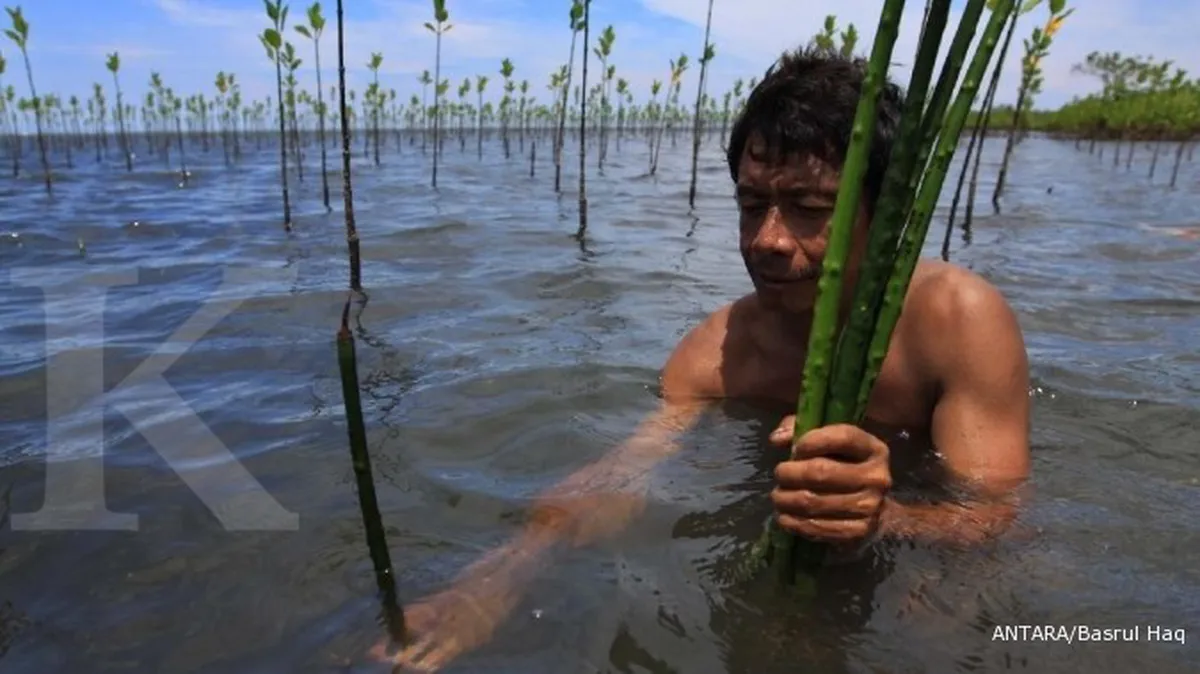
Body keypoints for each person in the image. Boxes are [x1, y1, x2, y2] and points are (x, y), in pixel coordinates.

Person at [372, 45, 1031, 672]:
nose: (767, 240)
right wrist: (505, 574)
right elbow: (622, 475)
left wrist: (884, 519)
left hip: (906, 546)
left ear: (882, 213)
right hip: (775, 536)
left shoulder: (956, 318)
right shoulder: (716, 351)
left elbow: (998, 518)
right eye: (751, 206)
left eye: (808, 209)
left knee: (941, 618)